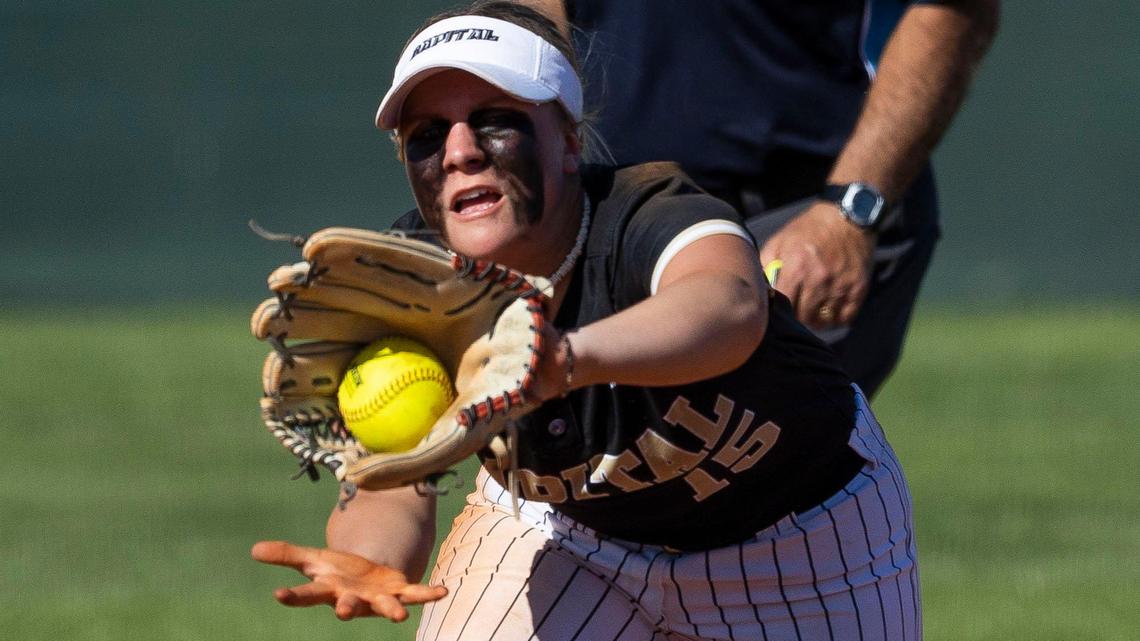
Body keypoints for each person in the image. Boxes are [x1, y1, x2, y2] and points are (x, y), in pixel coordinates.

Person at [252, 2, 921, 639]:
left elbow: (730, 306)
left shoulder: (645, 214)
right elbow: (394, 476)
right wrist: (374, 560)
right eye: (426, 135)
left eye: (493, 119)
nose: (459, 151)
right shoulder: (406, 283)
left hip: (800, 540)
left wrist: (565, 356)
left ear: (569, 141)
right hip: (570, 539)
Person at [524, 0, 1000, 397]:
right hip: (612, 209)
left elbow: (950, 9)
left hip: (802, 213)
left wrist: (847, 211)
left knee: (745, 475)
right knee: (582, 481)